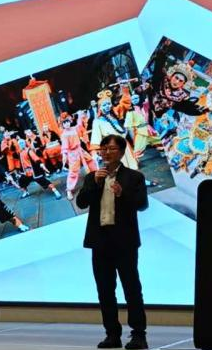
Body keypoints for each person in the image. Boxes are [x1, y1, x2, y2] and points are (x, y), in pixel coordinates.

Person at [76, 134, 149, 350]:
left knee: (131, 289)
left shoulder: (134, 177)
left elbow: (142, 204)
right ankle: (112, 334)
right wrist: (95, 184)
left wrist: (123, 194)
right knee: (105, 291)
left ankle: (138, 335)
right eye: (103, 149)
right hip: (100, 242)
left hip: (125, 242)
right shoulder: (93, 177)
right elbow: (81, 202)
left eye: (111, 149)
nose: (106, 153)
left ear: (122, 152)